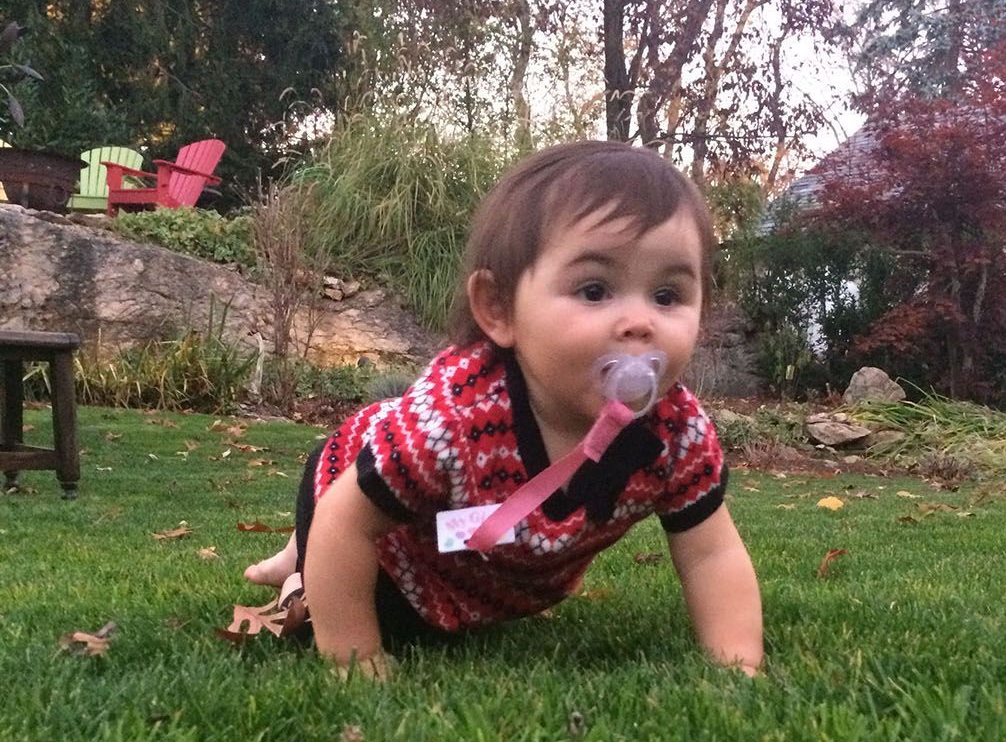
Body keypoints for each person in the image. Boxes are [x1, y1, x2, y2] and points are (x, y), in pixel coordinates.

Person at [245, 141, 763, 678]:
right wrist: (357, 658)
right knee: (374, 608)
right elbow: (343, 523)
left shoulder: (677, 435)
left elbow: (711, 555)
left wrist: (739, 668)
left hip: (484, 555)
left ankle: (295, 559)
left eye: (667, 295)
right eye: (594, 289)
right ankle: (299, 568)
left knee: (451, 586)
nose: (640, 322)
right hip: (372, 521)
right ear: (499, 309)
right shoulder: (455, 423)